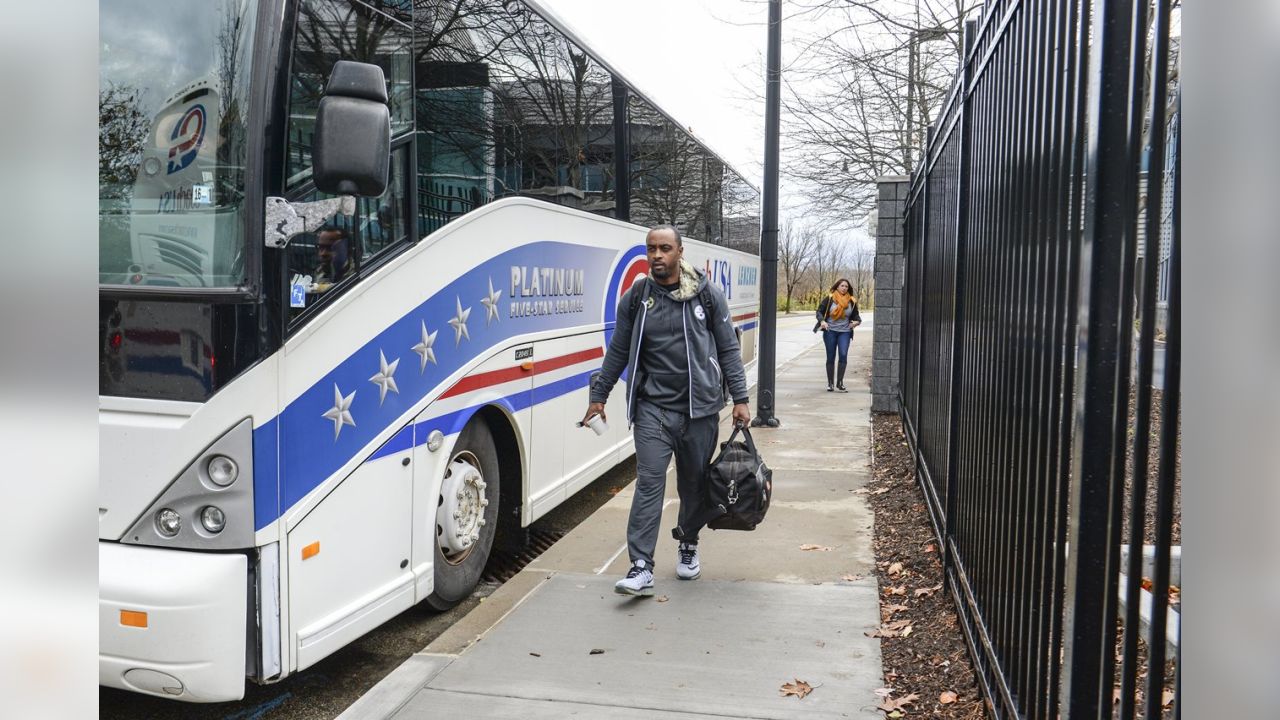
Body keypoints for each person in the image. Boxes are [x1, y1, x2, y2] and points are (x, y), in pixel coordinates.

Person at [584, 225, 751, 597]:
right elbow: (618, 350)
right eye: (651, 249)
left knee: (692, 485)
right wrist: (600, 395)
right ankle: (640, 565)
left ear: (680, 251)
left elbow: (728, 350)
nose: (657, 255)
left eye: (664, 248)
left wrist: (740, 399)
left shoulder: (707, 295)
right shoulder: (636, 297)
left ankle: (688, 542)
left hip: (700, 411)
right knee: (649, 483)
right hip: (653, 409)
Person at [816, 278, 861, 392]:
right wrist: (822, 321)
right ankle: (830, 383)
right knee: (830, 357)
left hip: (845, 332)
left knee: (843, 354)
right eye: (842, 286)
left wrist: (855, 323)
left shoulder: (851, 301)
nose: (844, 288)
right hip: (830, 331)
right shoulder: (830, 298)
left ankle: (840, 383)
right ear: (837, 287)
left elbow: (857, 317)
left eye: (846, 286)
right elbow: (819, 311)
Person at [313, 225, 354, 289]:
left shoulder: (359, 274)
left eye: (330, 248)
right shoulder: (320, 271)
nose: (323, 253)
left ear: (347, 250)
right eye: (320, 248)